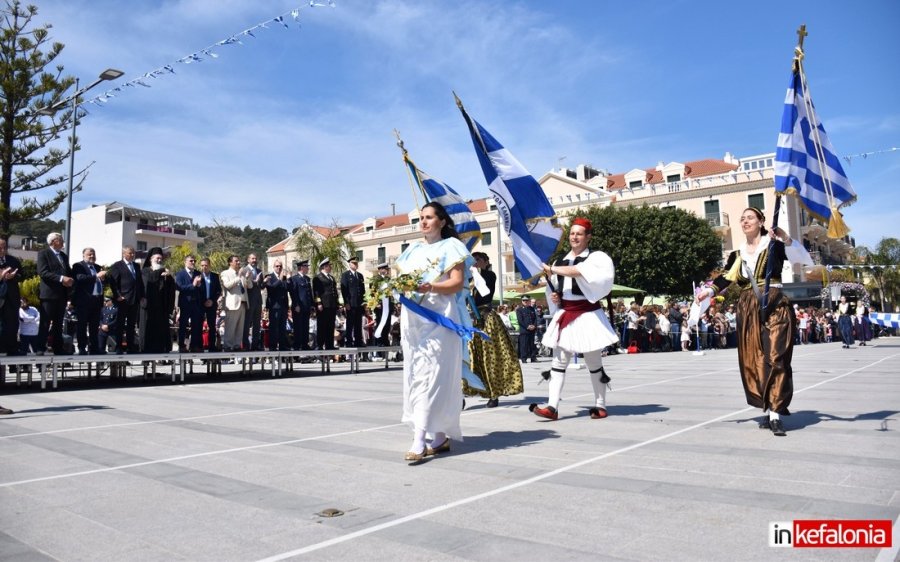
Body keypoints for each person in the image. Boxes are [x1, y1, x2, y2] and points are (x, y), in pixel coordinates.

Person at [696, 207, 798, 436]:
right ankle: (768, 404)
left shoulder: (775, 246)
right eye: (742, 218)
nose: (745, 221)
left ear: (762, 222)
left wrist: (784, 237)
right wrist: (708, 292)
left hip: (775, 305)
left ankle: (775, 414)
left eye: (750, 217)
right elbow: (726, 278)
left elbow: (801, 256)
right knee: (755, 360)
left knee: (776, 356)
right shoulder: (737, 254)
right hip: (748, 308)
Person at [396, 201, 472, 462]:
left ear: (442, 221)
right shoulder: (412, 251)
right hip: (414, 320)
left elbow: (456, 283)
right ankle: (438, 438)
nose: (424, 222)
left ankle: (419, 440)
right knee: (417, 376)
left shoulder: (451, 247)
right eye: (421, 218)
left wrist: (432, 288)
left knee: (433, 377)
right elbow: (402, 283)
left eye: (429, 217)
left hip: (440, 318)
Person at [532, 217, 619, 421]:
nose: (574, 236)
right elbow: (552, 289)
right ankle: (552, 407)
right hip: (566, 314)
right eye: (572, 233)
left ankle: (600, 405)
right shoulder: (559, 261)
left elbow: (578, 272)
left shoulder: (597, 258)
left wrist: (551, 269)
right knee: (558, 362)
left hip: (588, 315)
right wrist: (556, 298)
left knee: (593, 363)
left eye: (579, 233)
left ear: (588, 237)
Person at [464, 251, 523, 408]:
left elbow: (486, 290)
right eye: (473, 260)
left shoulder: (489, 275)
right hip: (472, 321)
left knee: (491, 357)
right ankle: (466, 390)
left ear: (485, 261)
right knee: (469, 357)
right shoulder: (468, 279)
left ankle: (494, 393)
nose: (475, 262)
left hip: (487, 319)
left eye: (478, 260)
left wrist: (475, 272)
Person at [36, 232, 73, 354]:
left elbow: (67, 270)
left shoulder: (63, 255)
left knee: (58, 323)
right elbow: (43, 272)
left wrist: (71, 279)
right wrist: (62, 279)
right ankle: (40, 347)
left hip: (61, 294)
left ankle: (58, 347)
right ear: (52, 242)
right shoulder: (43, 254)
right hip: (48, 294)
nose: (62, 241)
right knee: (45, 322)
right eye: (60, 239)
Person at [107, 246, 144, 354]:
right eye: (130, 253)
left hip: (134, 299)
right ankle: (118, 346)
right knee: (120, 324)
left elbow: (139, 283)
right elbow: (113, 282)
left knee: (131, 325)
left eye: (133, 253)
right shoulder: (117, 265)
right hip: (122, 299)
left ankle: (130, 346)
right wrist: (118, 295)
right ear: (124, 254)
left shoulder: (136, 266)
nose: (132, 255)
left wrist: (141, 296)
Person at [71, 247, 107, 355]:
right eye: (89, 254)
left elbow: (103, 280)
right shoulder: (78, 266)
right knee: (82, 325)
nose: (92, 256)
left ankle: (94, 348)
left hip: (96, 300)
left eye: (93, 254)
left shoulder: (98, 267)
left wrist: (104, 278)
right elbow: (80, 278)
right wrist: (96, 276)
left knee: (94, 326)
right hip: (83, 301)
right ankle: (82, 348)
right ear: (83, 255)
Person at [140, 247, 176, 353]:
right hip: (148, 307)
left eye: (161, 258)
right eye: (157, 258)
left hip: (161, 307)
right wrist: (161, 271)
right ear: (151, 259)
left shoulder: (165, 273)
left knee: (161, 331)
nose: (159, 260)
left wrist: (168, 278)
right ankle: (145, 351)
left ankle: (162, 351)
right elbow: (151, 279)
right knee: (147, 330)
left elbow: (171, 290)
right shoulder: (145, 271)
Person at [220, 255, 250, 351]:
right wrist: (238, 277)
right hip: (232, 304)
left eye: (238, 261)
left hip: (243, 302)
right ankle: (228, 345)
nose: (238, 262)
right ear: (230, 262)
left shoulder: (241, 273)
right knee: (230, 326)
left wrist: (247, 278)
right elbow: (227, 285)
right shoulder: (225, 273)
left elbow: (248, 286)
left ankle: (237, 345)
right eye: (236, 261)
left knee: (240, 327)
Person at [175, 255, 204, 352]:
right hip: (185, 302)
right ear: (185, 262)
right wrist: (193, 285)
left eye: (194, 261)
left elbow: (201, 288)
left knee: (196, 325)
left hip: (196, 303)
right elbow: (179, 287)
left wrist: (199, 285)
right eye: (191, 261)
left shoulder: (198, 273)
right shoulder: (180, 274)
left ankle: (194, 345)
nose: (193, 262)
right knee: (183, 325)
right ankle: (181, 345)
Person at [0, 239, 23, 355]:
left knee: (12, 324)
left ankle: (12, 349)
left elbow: (21, 275)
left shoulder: (13, 260)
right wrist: (2, 276)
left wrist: (13, 276)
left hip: (11, 297)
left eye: (4, 247)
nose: (3, 250)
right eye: (0, 248)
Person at [313, 258, 339, 350]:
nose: (330, 267)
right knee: (322, 326)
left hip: (331, 305)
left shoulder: (331, 277)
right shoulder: (318, 277)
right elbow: (316, 292)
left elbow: (334, 291)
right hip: (323, 305)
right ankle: (320, 345)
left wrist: (337, 303)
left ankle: (329, 345)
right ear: (324, 266)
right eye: (329, 266)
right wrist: (319, 303)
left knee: (330, 326)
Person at [340, 255, 366, 347]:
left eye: (356, 263)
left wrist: (364, 302)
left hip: (359, 303)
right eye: (354, 263)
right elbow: (344, 290)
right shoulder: (346, 275)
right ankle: (349, 341)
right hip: (351, 303)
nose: (355, 265)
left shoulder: (360, 275)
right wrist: (346, 302)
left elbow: (362, 290)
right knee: (350, 323)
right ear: (349, 264)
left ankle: (358, 341)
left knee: (358, 323)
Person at [241, 253, 265, 351]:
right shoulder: (244, 270)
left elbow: (261, 286)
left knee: (257, 324)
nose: (254, 260)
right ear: (248, 260)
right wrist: (254, 281)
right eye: (252, 258)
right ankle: (245, 345)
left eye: (255, 258)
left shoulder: (259, 271)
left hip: (258, 300)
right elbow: (244, 285)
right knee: (246, 324)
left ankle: (255, 345)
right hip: (248, 300)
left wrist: (265, 282)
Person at [265, 260, 290, 351]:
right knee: (274, 327)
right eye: (277, 266)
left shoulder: (284, 278)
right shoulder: (269, 277)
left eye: (280, 266)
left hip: (283, 306)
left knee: (282, 327)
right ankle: (273, 346)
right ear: (273, 267)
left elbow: (287, 289)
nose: (279, 268)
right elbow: (271, 288)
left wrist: (288, 279)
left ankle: (282, 346)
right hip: (274, 306)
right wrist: (279, 279)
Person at [368, 262, 394, 352]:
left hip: (388, 305)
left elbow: (391, 293)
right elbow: (372, 293)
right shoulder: (375, 279)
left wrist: (392, 305)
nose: (386, 270)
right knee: (380, 323)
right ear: (380, 270)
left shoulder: (388, 279)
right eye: (384, 269)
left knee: (387, 324)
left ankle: (385, 340)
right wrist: (376, 303)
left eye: (387, 269)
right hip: (380, 306)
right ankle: (379, 342)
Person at [288, 259, 313, 351]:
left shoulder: (307, 279)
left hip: (306, 306)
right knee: (298, 326)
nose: (308, 268)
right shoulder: (294, 279)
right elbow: (293, 293)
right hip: (298, 306)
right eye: (306, 266)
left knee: (305, 326)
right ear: (301, 268)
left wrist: (311, 305)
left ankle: (304, 344)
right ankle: (297, 344)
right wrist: (296, 304)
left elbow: (309, 293)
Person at [198, 258, 222, 351]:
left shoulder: (215, 276)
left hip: (212, 304)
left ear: (209, 265)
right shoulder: (198, 276)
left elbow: (218, 290)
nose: (204, 267)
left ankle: (212, 345)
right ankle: (200, 346)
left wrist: (212, 300)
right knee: (199, 325)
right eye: (202, 265)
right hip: (201, 304)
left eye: (206, 265)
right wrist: (204, 301)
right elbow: (197, 291)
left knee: (212, 325)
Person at [516, 296, 538, 362]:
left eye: (526, 300)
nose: (525, 302)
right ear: (522, 301)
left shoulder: (532, 309)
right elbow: (520, 320)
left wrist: (534, 325)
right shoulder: (519, 310)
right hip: (524, 330)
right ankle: (524, 358)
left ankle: (533, 358)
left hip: (532, 329)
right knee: (524, 345)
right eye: (524, 300)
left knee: (532, 344)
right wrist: (527, 326)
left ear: (529, 301)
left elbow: (535, 319)